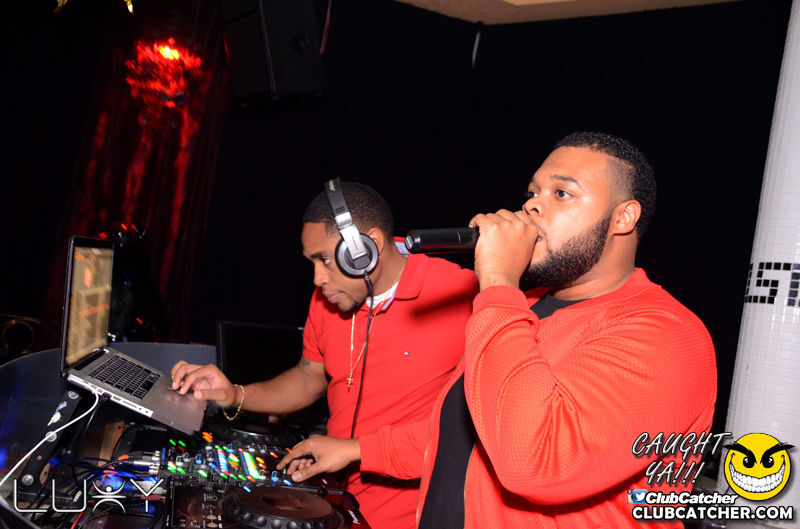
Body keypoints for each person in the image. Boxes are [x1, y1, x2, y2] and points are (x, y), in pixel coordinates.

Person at [277, 133, 717, 528]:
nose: (532, 206)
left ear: (623, 218)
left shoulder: (666, 335)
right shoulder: (524, 308)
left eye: (562, 193)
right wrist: (356, 449)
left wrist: (500, 282)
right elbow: (461, 431)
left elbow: (538, 462)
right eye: (533, 192)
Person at [170, 182, 479, 529]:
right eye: (312, 262)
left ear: (366, 248)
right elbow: (309, 377)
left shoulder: (463, 295)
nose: (317, 279)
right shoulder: (330, 297)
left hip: (408, 516)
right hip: (331, 500)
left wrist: (355, 449)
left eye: (326, 260)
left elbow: (475, 431)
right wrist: (236, 394)